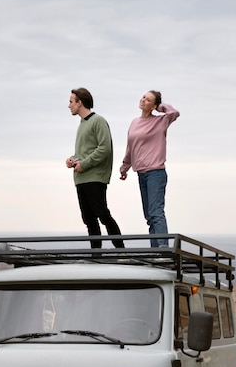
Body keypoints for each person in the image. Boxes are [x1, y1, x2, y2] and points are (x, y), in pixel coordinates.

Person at [119, 91, 180, 247]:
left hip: (155, 173)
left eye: (148, 100)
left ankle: (163, 248)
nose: (143, 100)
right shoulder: (134, 122)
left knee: (156, 212)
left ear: (154, 105)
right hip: (141, 174)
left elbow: (174, 112)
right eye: (143, 97)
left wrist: (160, 107)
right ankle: (156, 251)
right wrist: (125, 167)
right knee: (149, 216)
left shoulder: (161, 121)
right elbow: (130, 147)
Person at [66, 87, 124, 249]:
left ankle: (122, 252)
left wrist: (83, 164)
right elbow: (84, 152)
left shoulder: (98, 120)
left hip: (95, 177)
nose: (69, 105)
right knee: (89, 220)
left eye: (71, 102)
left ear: (80, 102)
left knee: (103, 215)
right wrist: (73, 159)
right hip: (81, 178)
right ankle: (96, 256)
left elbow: (104, 149)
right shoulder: (82, 124)